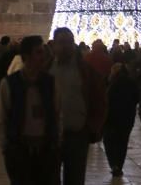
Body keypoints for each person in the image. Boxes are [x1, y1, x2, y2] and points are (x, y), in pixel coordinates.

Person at [0, 35, 60, 184]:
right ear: (26, 56)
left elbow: (58, 114)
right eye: (38, 52)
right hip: (19, 150)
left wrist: (56, 142)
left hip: (46, 150)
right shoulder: (9, 84)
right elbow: (2, 117)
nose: (43, 56)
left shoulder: (50, 83)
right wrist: (6, 147)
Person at [49, 27, 106, 185]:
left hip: (77, 134)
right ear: (54, 45)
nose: (66, 47)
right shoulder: (47, 70)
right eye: (62, 43)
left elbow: (99, 100)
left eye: (69, 42)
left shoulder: (85, 71)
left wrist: (92, 127)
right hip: (51, 136)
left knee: (75, 178)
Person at [103, 63, 139, 177]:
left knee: (109, 141)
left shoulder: (111, 83)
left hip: (112, 117)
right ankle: (119, 165)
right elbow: (137, 98)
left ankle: (113, 164)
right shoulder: (131, 82)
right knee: (122, 143)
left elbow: (106, 99)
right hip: (127, 117)